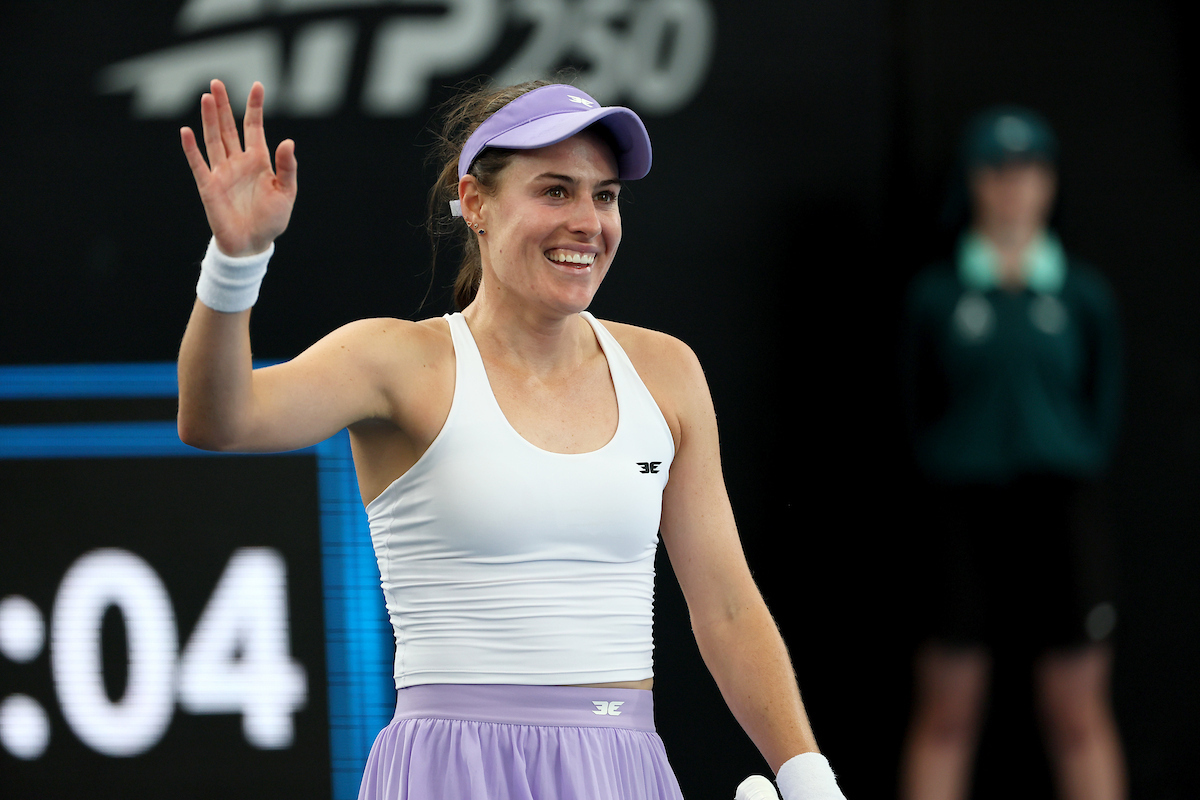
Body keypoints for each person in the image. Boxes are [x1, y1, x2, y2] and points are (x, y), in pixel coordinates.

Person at [176, 78, 848, 800]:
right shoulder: (397, 363)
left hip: (621, 771)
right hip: (447, 773)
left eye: (605, 195)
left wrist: (808, 776)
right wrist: (235, 262)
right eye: (555, 191)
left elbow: (727, 607)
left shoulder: (668, 373)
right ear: (475, 204)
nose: (588, 221)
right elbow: (220, 419)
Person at [898, 107, 1126, 800]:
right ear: (974, 181)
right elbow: (914, 405)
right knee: (949, 709)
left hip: (1057, 510)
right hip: (965, 513)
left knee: (1077, 711)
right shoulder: (937, 296)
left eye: (1031, 170)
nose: (1015, 187)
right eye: (999, 170)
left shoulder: (1083, 295)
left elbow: (1104, 405)